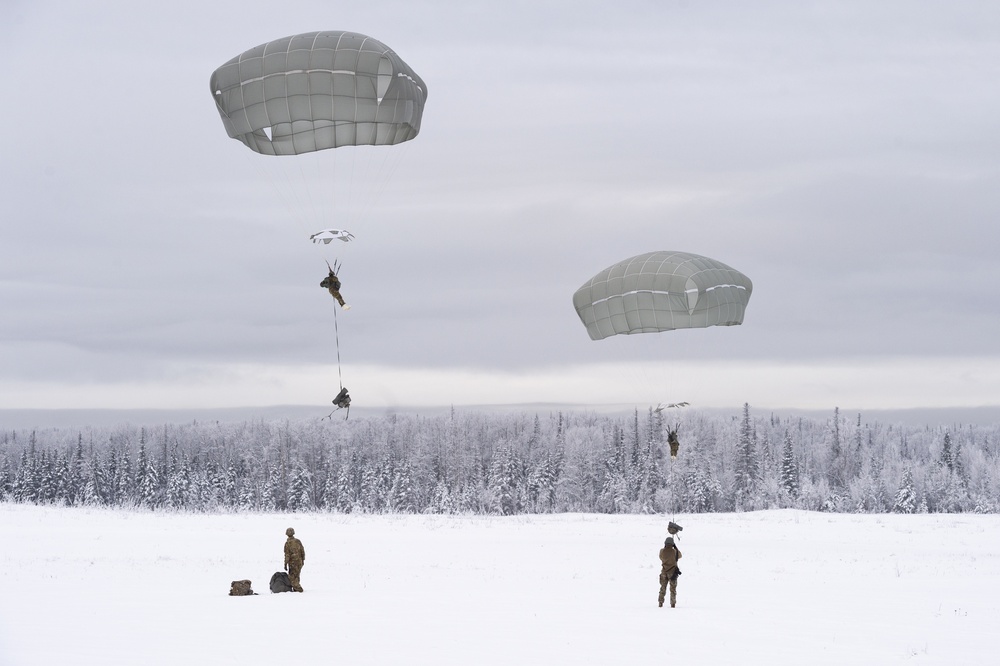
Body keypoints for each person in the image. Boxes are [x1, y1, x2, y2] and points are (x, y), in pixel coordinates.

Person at [658, 536, 682, 608]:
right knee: (673, 589)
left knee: (662, 588)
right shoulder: (675, 552)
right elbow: (680, 556)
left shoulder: (662, 551)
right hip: (672, 573)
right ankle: (673, 604)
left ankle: (660, 603)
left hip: (664, 572)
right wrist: (675, 547)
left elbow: (660, 557)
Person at [284, 527, 306, 592]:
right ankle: (296, 589)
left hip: (293, 563)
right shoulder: (298, 541)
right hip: (299, 561)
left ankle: (298, 589)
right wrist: (303, 560)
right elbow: (302, 551)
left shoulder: (288, 543)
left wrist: (285, 564)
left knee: (292, 576)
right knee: (297, 575)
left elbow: (287, 555)